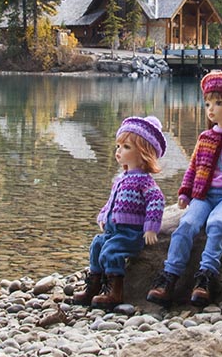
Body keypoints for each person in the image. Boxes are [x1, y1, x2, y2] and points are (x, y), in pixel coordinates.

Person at [147, 64, 222, 307]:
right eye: (208, 103)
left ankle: (206, 277)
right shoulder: (205, 138)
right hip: (203, 195)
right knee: (186, 225)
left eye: (218, 103)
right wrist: (185, 192)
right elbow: (193, 168)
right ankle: (169, 276)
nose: (211, 109)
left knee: (218, 223)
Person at [72, 116, 166, 310]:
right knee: (98, 244)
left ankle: (115, 291)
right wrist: (103, 216)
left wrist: (150, 228)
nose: (118, 151)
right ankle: (94, 285)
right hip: (113, 230)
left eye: (126, 147)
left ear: (144, 154)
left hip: (129, 233)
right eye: (118, 146)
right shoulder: (120, 179)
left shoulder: (144, 181)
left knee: (112, 250)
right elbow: (111, 202)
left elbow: (156, 201)